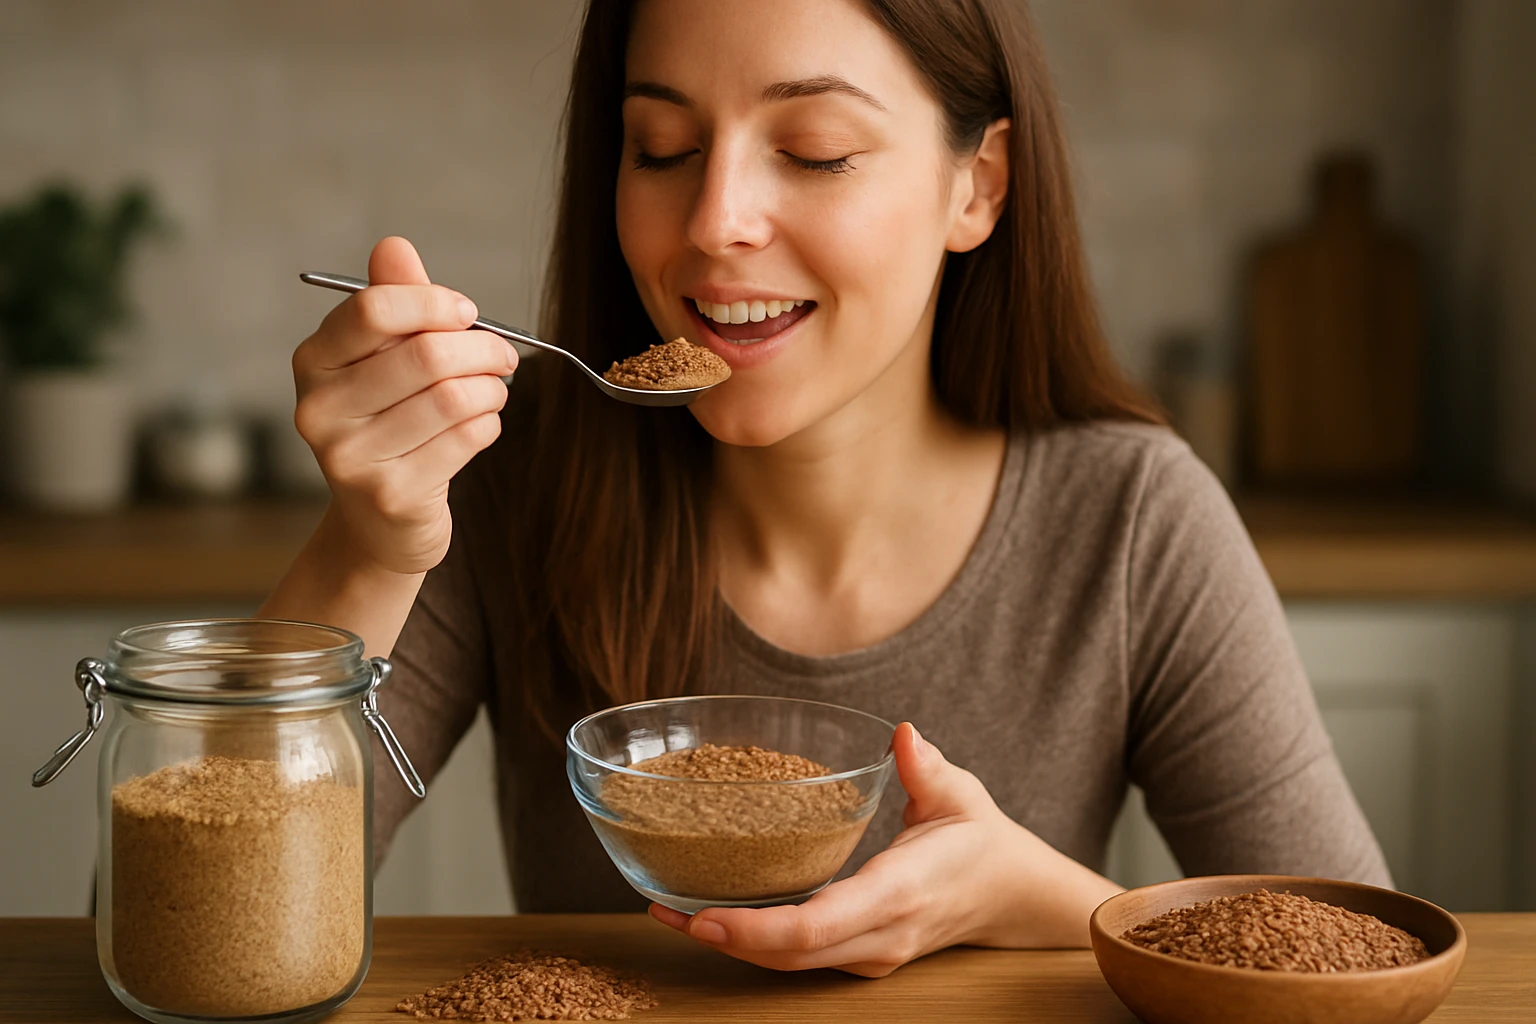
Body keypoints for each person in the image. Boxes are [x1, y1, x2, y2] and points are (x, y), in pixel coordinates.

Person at [262, 0, 1390, 978]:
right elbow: (220, 934)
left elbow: (1354, 965)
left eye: (812, 149)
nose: (714, 223)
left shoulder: (1130, 521)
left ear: (977, 189)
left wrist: (1040, 905)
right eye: (661, 148)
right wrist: (368, 548)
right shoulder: (511, 481)